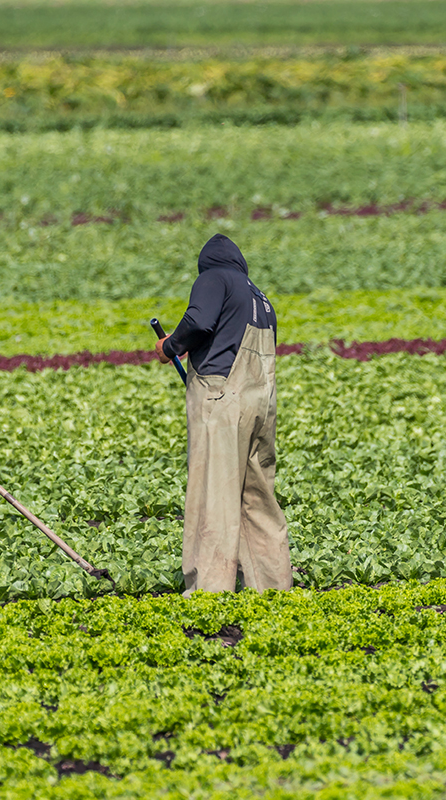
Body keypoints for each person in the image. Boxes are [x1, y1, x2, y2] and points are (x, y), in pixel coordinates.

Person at [155, 233, 291, 595]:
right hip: (261, 404)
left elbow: (199, 321)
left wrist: (170, 346)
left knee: (213, 494)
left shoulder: (214, 278)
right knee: (258, 498)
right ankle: (273, 585)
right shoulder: (260, 298)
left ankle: (209, 591)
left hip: (222, 400)